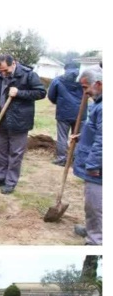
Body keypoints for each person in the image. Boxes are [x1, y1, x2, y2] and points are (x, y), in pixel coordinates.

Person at [0, 54, 47, 194]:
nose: (3, 73)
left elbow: (41, 93)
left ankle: (10, 181)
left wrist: (20, 93)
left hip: (19, 121)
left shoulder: (28, 75)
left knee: (15, 153)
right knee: (0, 151)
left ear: (14, 63)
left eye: (6, 70)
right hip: (0, 120)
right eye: (1, 71)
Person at [72, 66, 102, 245]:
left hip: (98, 168)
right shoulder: (99, 103)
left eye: (86, 88)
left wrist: (93, 165)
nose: (85, 93)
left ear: (98, 84)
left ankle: (95, 241)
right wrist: (82, 137)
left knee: (95, 204)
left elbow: (104, 140)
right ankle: (93, 229)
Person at [47, 61, 87, 166]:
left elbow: (51, 95)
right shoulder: (84, 80)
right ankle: (75, 159)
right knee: (78, 137)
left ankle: (61, 159)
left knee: (62, 137)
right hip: (81, 112)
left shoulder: (58, 80)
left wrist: (60, 102)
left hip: (64, 113)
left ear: (65, 69)